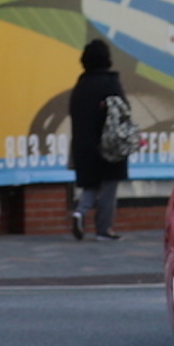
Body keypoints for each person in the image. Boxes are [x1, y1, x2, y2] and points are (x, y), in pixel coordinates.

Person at [68, 38, 130, 241]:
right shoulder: (110, 82)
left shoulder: (81, 84)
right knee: (108, 187)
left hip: (83, 145)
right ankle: (104, 230)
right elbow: (124, 111)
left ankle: (80, 212)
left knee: (91, 185)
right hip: (109, 145)